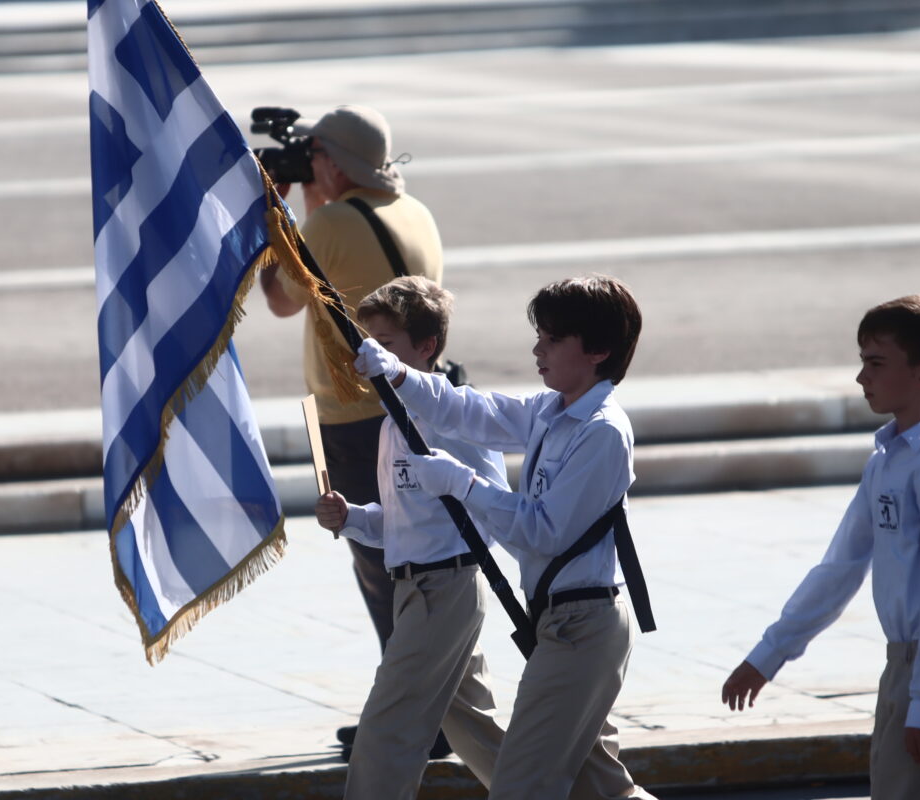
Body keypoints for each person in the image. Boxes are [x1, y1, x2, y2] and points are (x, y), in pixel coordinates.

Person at [354, 275, 657, 799]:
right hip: (559, 622)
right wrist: (401, 375)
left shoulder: (602, 431)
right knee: (601, 790)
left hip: (582, 627)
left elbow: (542, 533)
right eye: (539, 335)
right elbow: (470, 411)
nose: (537, 349)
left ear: (599, 351)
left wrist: (464, 483)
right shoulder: (552, 410)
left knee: (520, 786)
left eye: (553, 339)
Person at [258, 105, 445, 751]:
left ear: (331, 163)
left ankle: (407, 721)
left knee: (381, 568)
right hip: (411, 404)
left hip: (351, 413)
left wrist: (276, 208)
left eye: (313, 158)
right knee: (414, 564)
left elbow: (280, 299)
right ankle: (428, 709)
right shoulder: (413, 210)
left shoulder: (331, 221)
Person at [722, 294, 920, 798]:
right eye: (862, 361)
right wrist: (769, 654)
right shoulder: (887, 460)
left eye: (876, 363)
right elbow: (840, 568)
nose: (861, 377)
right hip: (905, 664)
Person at [315, 276, 506, 798]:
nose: (369, 356)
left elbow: (496, 507)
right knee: (476, 733)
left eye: (386, 345)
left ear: (427, 348)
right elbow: (400, 521)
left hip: (445, 587)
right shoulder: (390, 424)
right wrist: (351, 517)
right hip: (414, 590)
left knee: (386, 731)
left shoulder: (456, 415)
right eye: (366, 343)